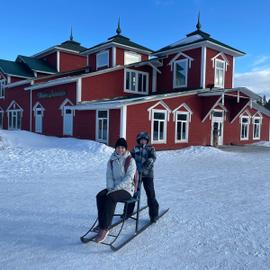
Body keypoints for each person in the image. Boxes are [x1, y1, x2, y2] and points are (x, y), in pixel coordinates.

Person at [95, 138, 136, 243]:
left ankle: (105, 228)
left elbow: (129, 178)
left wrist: (114, 189)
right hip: (114, 188)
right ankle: (101, 223)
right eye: (118, 147)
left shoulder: (130, 160)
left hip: (127, 189)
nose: (120, 149)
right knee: (100, 196)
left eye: (122, 147)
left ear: (125, 149)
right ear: (115, 148)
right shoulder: (111, 160)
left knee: (110, 197)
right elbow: (109, 176)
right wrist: (110, 188)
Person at [125, 131, 159, 223]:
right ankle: (127, 212)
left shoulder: (151, 148)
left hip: (148, 175)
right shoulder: (135, 148)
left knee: (150, 193)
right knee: (133, 192)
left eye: (144, 140)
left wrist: (144, 168)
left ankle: (154, 215)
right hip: (136, 175)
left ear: (147, 141)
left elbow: (152, 158)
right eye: (141, 140)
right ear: (138, 141)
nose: (143, 142)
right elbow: (130, 158)